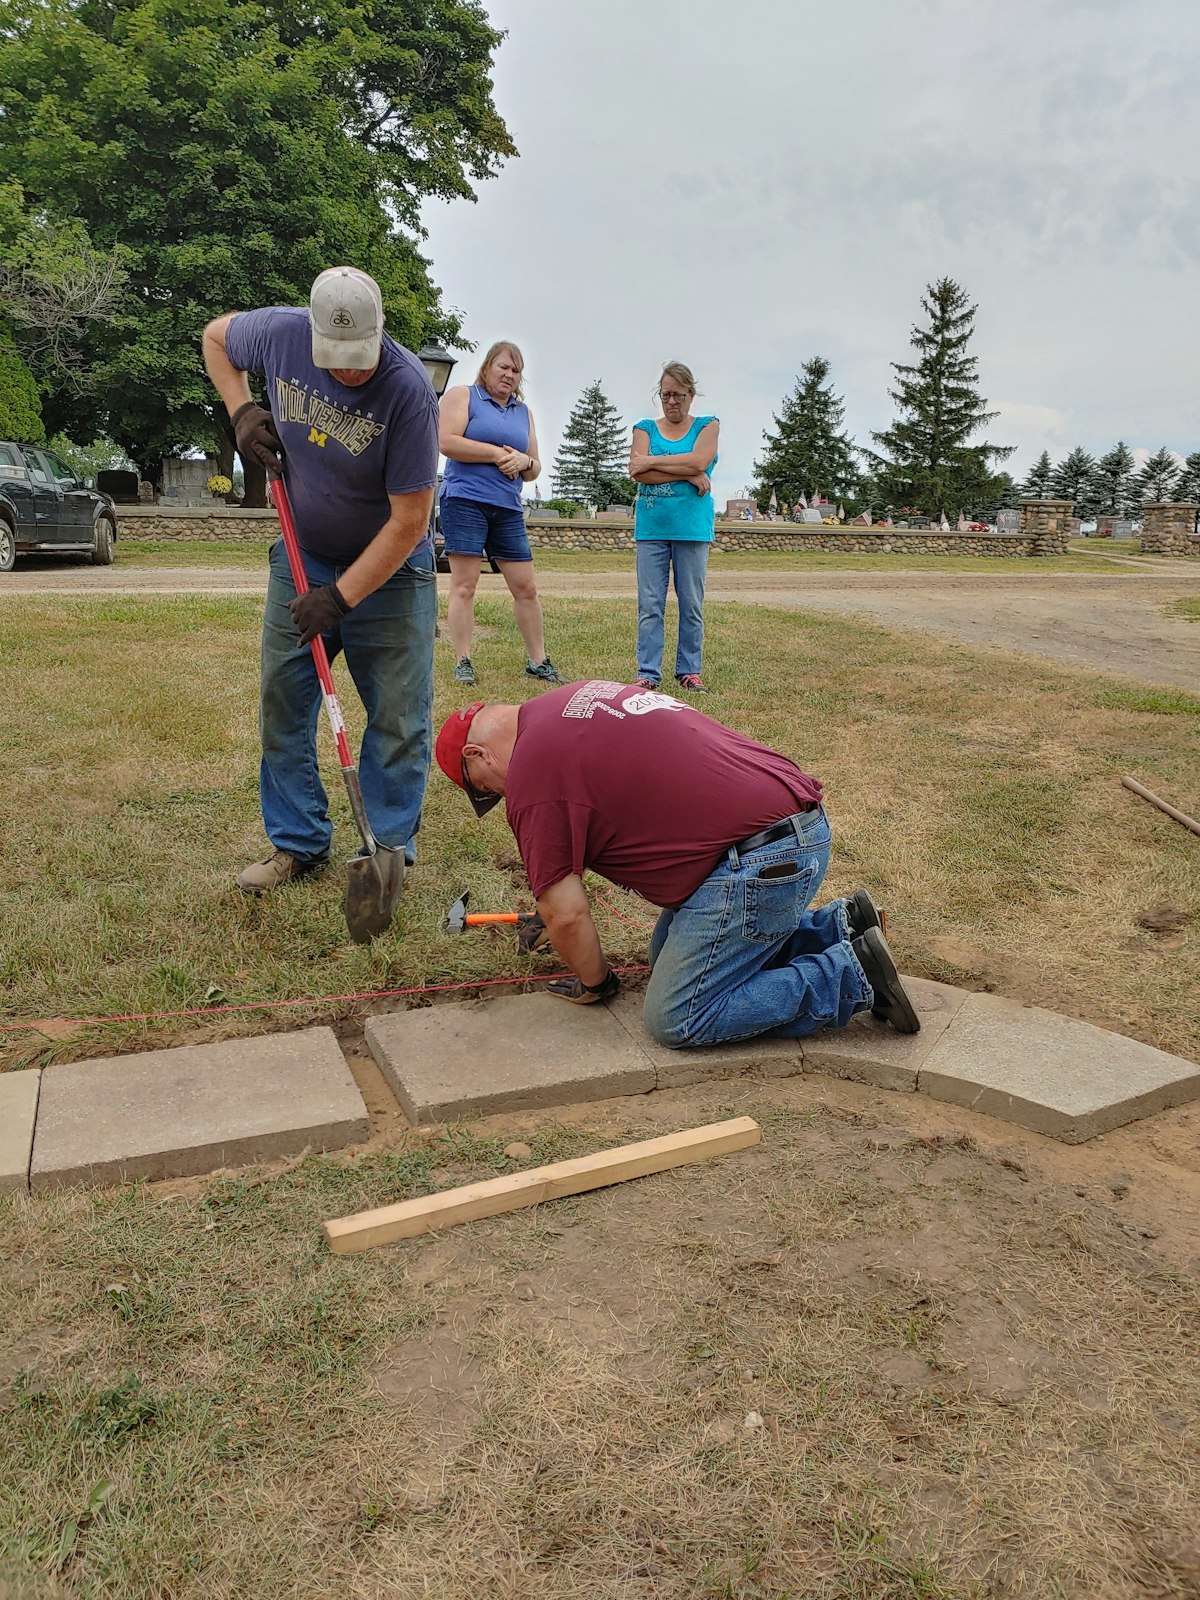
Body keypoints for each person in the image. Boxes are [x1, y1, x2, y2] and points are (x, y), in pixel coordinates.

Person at [434, 681, 920, 1046]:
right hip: (789, 831)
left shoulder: (530, 774)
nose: (494, 794)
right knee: (664, 961)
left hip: (763, 861)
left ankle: (851, 976)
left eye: (480, 786)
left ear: (477, 754)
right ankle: (839, 928)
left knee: (678, 1015)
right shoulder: (566, 701)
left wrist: (596, 981)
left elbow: (567, 913)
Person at [202, 266, 439, 894]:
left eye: (358, 360)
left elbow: (411, 520)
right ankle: (298, 842)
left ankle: (385, 850)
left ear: (380, 333)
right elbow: (215, 338)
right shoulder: (279, 334)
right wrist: (243, 410)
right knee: (284, 699)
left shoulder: (409, 391)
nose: (347, 374)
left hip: (392, 571)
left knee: (397, 714)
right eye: (333, 360)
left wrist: (338, 598)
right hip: (302, 552)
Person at [438, 341, 561, 688]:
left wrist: (525, 462)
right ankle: (463, 660)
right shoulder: (465, 396)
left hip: (507, 507)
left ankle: (538, 661)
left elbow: (534, 467)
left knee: (526, 587)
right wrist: (495, 454)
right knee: (464, 584)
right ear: (488, 367)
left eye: (516, 370)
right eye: (503, 367)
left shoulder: (524, 412)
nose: (509, 375)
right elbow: (445, 441)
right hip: (465, 501)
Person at [629, 363, 719, 694]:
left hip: (692, 529)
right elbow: (638, 473)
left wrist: (653, 460)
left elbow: (700, 461)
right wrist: (685, 473)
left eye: (679, 395)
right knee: (650, 604)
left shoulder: (708, 426)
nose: (672, 402)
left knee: (691, 602)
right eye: (666, 395)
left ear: (691, 395)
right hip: (652, 528)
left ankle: (689, 670)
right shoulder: (644, 428)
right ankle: (648, 672)